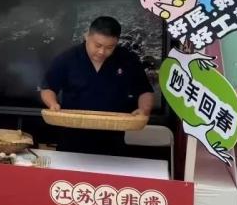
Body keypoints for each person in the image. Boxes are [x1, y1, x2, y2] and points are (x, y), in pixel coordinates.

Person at [40, 16, 154, 156]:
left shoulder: (127, 59)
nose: (102, 52)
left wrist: (144, 109)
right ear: (87, 36)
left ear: (117, 42)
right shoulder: (67, 58)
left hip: (113, 139)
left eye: (109, 47)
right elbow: (48, 87)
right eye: (97, 45)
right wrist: (52, 104)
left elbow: (145, 91)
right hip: (71, 138)